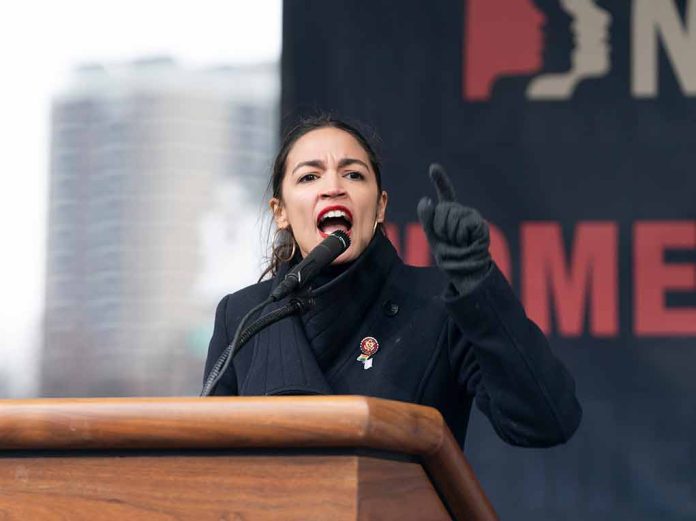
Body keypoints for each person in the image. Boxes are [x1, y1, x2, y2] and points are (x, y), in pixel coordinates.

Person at [203, 115, 582, 448]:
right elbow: (211, 467)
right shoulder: (243, 316)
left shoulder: (438, 305)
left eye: (353, 174)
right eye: (309, 176)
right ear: (280, 212)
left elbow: (546, 421)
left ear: (380, 206)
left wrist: (478, 285)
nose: (334, 186)